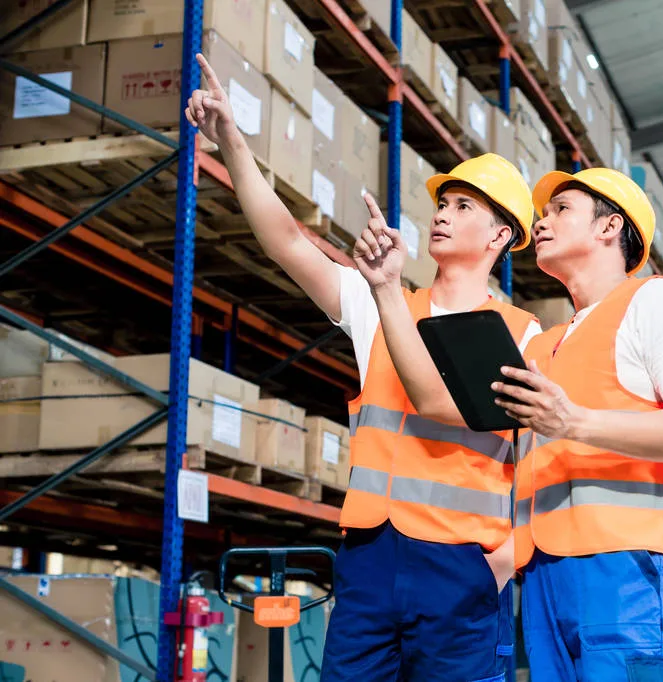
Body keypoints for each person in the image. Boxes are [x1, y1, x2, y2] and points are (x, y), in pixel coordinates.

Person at [185, 53, 542, 681]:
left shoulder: (525, 335)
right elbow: (288, 242)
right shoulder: (381, 303)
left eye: (462, 206)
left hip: (464, 563)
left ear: (500, 237)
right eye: (443, 202)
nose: (442, 213)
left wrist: (504, 560)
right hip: (371, 554)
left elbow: (539, 466)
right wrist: (233, 142)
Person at [357, 167, 663, 681]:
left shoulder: (658, 302)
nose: (542, 223)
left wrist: (573, 420)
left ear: (608, 227)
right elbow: (436, 400)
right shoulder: (542, 346)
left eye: (561, 210)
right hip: (545, 577)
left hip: (633, 572)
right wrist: (387, 290)